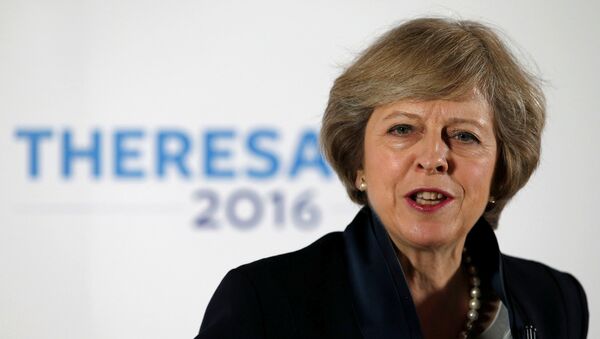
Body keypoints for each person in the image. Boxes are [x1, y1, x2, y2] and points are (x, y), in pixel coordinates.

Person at [194, 17, 588, 339]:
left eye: (465, 135)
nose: (434, 158)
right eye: (402, 129)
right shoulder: (264, 302)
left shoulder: (554, 300)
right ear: (358, 163)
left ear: (502, 170)